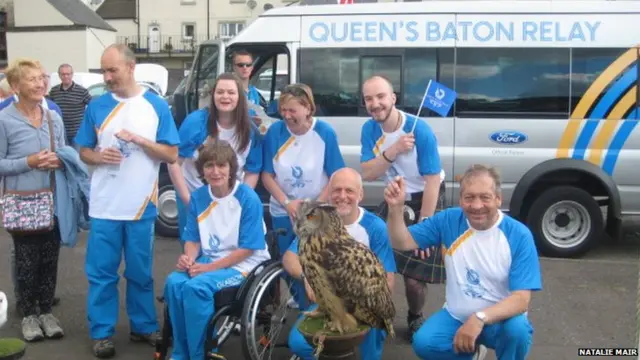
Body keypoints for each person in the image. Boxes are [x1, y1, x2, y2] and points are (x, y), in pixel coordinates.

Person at [74, 44, 180, 358]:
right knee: (101, 274)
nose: (107, 77)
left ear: (131, 67)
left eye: (112, 70)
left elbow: (172, 154)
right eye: (103, 71)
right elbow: (83, 150)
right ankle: (102, 333)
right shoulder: (96, 105)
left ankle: (143, 326)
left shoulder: (156, 106)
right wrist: (98, 157)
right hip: (105, 206)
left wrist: (144, 142)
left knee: (140, 272)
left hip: (141, 206)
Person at [384, 164, 542, 360]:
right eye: (469, 197)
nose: (476, 205)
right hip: (457, 316)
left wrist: (479, 318)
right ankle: (471, 353)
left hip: (501, 320)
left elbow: (521, 300)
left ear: (498, 199)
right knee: (425, 342)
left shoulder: (518, 235)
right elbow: (402, 241)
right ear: (460, 200)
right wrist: (395, 208)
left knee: (517, 331)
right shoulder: (449, 220)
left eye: (485, 197)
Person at [163, 139, 270, 360]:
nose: (215, 171)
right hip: (209, 260)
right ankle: (180, 353)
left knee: (197, 288)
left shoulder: (247, 198)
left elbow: (249, 249)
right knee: (174, 283)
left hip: (245, 264)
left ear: (231, 168)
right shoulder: (199, 197)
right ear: (202, 170)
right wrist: (189, 259)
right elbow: (192, 238)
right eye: (209, 166)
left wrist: (208, 268)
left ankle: (200, 353)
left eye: (221, 165)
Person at [359, 75, 445, 339]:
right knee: (373, 261)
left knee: (414, 279)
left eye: (380, 97)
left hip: (424, 199)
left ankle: (415, 316)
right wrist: (393, 150)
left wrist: (425, 226)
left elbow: (432, 180)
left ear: (393, 98)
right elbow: (368, 173)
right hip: (393, 196)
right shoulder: (369, 129)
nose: (375, 104)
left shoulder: (420, 129)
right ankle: (375, 312)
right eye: (369, 99)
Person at [283, 167, 396, 360]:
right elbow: (289, 257)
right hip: (328, 302)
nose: (342, 196)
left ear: (360, 194)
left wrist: (354, 305)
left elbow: (388, 280)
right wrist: (308, 278)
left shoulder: (375, 226)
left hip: (364, 304)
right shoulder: (314, 225)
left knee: (367, 349)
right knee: (299, 342)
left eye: (349, 190)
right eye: (336, 190)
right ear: (328, 193)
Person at [261, 83, 345, 307]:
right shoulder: (275, 132)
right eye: (283, 110)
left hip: (315, 210)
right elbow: (267, 175)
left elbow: (336, 174)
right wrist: (288, 203)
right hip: (284, 209)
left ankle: (315, 305)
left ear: (308, 108)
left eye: (292, 111)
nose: (287, 116)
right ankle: (302, 302)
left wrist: (313, 206)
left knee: (310, 260)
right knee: (286, 264)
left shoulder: (324, 132)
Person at [0, 58, 66, 341]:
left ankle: (46, 312)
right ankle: (28, 314)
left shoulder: (54, 117)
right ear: (16, 86)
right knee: (27, 261)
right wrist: (27, 161)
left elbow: (66, 154)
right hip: (21, 203)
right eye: (32, 79)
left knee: (50, 259)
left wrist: (59, 161)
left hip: (53, 201)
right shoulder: (4, 120)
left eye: (42, 77)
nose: (40, 84)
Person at [168, 72, 262, 242]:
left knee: (226, 246)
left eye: (231, 93)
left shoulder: (250, 129)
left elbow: (252, 170)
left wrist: (241, 200)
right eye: (220, 92)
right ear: (213, 95)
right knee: (193, 248)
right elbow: (174, 161)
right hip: (193, 193)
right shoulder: (196, 122)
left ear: (240, 97)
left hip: (230, 197)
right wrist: (187, 199)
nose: (225, 97)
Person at [48, 63, 93, 148]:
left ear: (72, 75)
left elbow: (93, 107)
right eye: (63, 74)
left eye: (68, 74)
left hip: (77, 134)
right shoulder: (54, 91)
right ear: (59, 75)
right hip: (60, 133)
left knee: (76, 159)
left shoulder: (81, 91)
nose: (65, 76)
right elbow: (49, 108)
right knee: (64, 159)